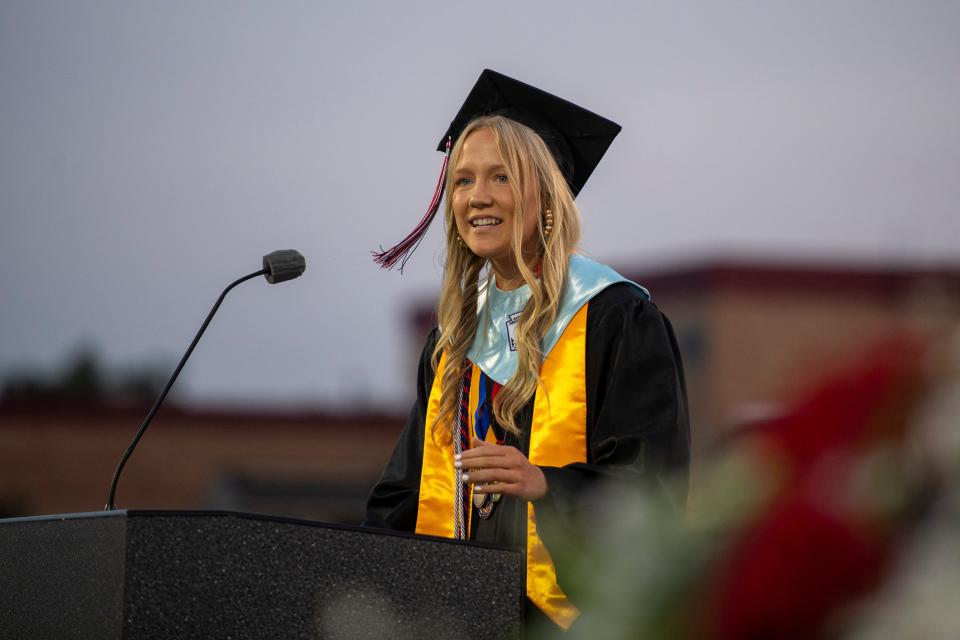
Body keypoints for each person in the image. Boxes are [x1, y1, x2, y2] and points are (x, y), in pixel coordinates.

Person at [365, 69, 690, 634]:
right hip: (458, 619)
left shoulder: (614, 317)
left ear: (546, 195)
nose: (477, 197)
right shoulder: (452, 341)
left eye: (501, 177)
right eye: (463, 181)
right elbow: (403, 498)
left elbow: (653, 489)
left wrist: (547, 482)